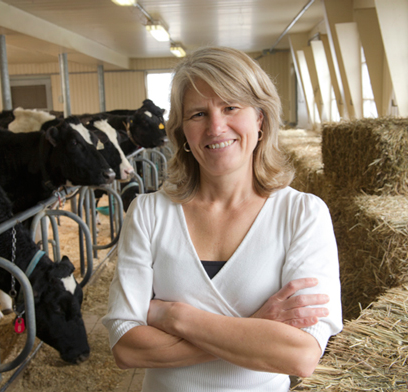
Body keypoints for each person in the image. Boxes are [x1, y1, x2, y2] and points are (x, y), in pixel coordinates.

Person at [102, 46, 342, 391]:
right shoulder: (148, 213)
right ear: (182, 132)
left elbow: (300, 354)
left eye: (231, 107)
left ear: (260, 118)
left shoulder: (302, 214)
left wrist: (175, 317)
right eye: (198, 114)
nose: (216, 127)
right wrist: (256, 328)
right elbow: (125, 347)